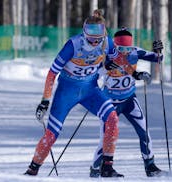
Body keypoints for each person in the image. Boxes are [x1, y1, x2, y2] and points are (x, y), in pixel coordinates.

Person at [24, 14, 124, 177]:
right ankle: (32, 170)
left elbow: (115, 59)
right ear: (84, 33)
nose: (94, 43)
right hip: (67, 92)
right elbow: (52, 73)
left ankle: (107, 167)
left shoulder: (107, 42)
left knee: (112, 119)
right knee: (51, 134)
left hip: (90, 90)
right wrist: (45, 101)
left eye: (98, 39)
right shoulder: (73, 44)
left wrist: (109, 65)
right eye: (91, 39)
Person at [89, 28, 164, 177]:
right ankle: (96, 168)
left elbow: (158, 59)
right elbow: (93, 73)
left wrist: (158, 51)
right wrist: (105, 68)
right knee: (106, 139)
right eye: (120, 48)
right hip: (109, 102)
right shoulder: (107, 55)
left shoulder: (135, 52)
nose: (124, 52)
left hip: (129, 100)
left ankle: (150, 166)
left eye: (127, 48)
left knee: (144, 132)